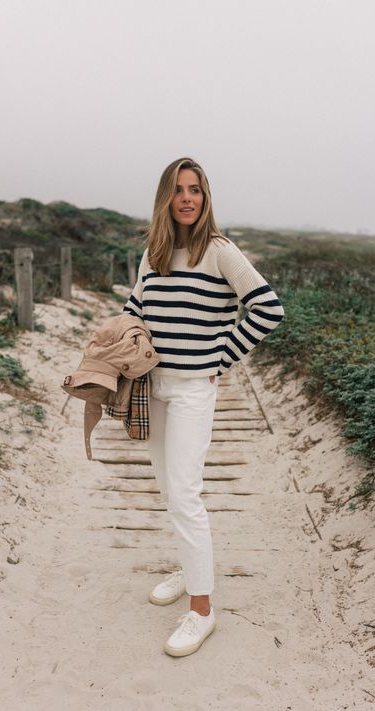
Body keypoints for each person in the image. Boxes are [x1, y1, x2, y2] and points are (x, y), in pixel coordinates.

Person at [122, 157, 284, 657]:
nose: (187, 198)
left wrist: (221, 358)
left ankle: (202, 609)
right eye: (178, 190)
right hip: (152, 386)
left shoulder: (220, 251)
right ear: (165, 198)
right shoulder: (154, 251)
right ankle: (187, 566)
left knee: (186, 492)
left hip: (194, 389)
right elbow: (134, 309)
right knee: (169, 487)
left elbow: (268, 308)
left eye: (195, 189)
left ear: (205, 197)